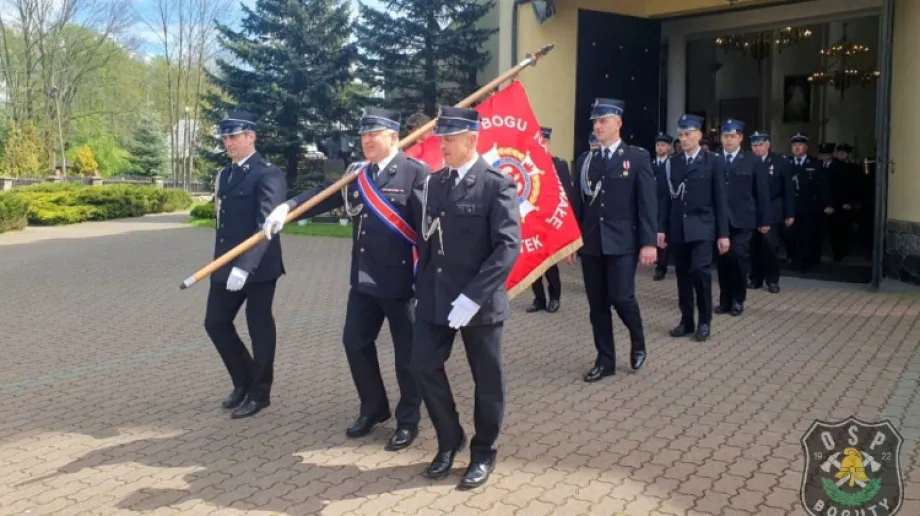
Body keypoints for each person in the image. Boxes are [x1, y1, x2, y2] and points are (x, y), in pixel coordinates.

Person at [262, 108, 430, 451]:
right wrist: (288, 207)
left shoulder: (417, 174)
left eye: (375, 134)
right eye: (363, 135)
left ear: (394, 136)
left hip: (404, 284)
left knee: (407, 356)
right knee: (354, 342)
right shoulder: (357, 174)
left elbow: (429, 233)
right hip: (364, 281)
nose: (367, 140)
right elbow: (323, 194)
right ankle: (373, 407)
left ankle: (408, 419)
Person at [410, 106, 521, 490]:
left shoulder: (496, 184)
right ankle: (449, 437)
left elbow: (507, 247)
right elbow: (429, 240)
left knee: (487, 380)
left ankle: (483, 451)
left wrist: (473, 297)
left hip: (479, 302)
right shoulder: (436, 182)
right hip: (436, 295)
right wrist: (419, 286)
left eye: (450, 139)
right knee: (422, 364)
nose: (443, 146)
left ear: (472, 140)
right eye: (441, 139)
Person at [205, 110, 287, 419]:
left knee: (259, 325)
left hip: (260, 266)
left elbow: (266, 226)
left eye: (233, 136)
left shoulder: (268, 174)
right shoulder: (225, 174)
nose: (228, 142)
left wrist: (245, 266)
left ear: (250, 137)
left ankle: (260, 392)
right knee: (215, 323)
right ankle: (244, 380)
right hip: (225, 263)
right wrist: (225, 265)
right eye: (225, 137)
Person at [572, 98, 657, 382]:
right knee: (597, 306)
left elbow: (647, 203)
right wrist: (572, 242)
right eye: (595, 121)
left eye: (603, 121)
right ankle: (605, 360)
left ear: (618, 123)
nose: (597, 126)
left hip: (623, 242)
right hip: (592, 243)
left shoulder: (637, 157)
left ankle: (638, 340)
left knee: (622, 297)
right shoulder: (586, 161)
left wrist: (648, 243)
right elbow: (577, 205)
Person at [658, 113, 730, 342]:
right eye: (680, 135)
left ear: (699, 135)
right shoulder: (673, 162)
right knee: (682, 276)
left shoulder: (713, 161)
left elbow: (721, 200)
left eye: (688, 134)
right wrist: (661, 229)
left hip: (703, 227)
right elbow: (666, 200)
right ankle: (687, 320)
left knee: (701, 272)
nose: (683, 139)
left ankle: (705, 321)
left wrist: (723, 234)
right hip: (679, 227)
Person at [714, 119, 769, 317]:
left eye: (732, 137)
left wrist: (764, 220)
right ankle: (724, 300)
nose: (728, 141)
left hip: (743, 219)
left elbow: (761, 192)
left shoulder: (751, 160)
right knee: (723, 262)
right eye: (725, 136)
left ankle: (738, 298)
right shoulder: (714, 159)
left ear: (740, 138)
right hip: (720, 220)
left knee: (738, 259)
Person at [526, 126, 574, 313]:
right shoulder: (527, 162)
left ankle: (554, 297)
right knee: (532, 262)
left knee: (549, 261)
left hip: (550, 219)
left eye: (544, 140)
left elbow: (566, 193)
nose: (541, 143)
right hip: (532, 218)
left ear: (548, 141)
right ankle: (538, 299)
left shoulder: (559, 164)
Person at [748, 131, 795, 293]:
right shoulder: (747, 161)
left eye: (760, 145)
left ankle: (772, 280)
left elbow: (788, 189)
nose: (757, 148)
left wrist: (790, 213)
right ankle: (755, 278)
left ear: (768, 145)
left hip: (773, 209)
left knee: (770, 247)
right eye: (754, 145)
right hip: (752, 210)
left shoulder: (779, 162)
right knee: (753, 246)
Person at [652, 132, 674, 281]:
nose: (660, 148)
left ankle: (662, 266)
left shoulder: (672, 164)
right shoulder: (650, 163)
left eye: (663, 145)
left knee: (663, 235)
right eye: (658, 145)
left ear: (669, 147)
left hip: (667, 204)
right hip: (652, 204)